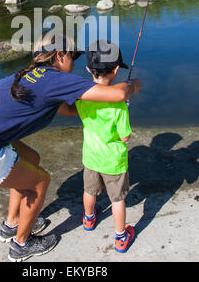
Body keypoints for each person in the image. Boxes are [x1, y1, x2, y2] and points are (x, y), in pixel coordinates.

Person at [0, 35, 140, 262]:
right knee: (39, 182)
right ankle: (21, 244)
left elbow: (68, 110)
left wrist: (98, 110)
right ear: (59, 55)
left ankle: (11, 224)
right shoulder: (54, 79)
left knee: (31, 158)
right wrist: (134, 84)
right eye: (72, 57)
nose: (74, 63)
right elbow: (119, 93)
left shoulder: (29, 76)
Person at [75, 40, 135, 253]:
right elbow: (125, 137)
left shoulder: (81, 96)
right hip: (113, 161)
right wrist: (125, 107)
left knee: (89, 191)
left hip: (91, 157)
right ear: (117, 70)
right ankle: (120, 237)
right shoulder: (118, 105)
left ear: (88, 69)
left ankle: (89, 219)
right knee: (117, 199)